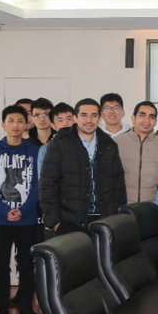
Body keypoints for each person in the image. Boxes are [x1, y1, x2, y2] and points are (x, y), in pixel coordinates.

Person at [0, 105, 42, 314]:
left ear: (26, 125)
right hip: (0, 220)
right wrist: (5, 210)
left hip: (28, 219)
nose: (16, 125)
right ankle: (2, 311)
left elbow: (38, 185)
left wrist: (23, 210)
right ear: (3, 124)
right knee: (0, 265)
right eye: (11, 121)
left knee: (26, 264)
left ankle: (27, 309)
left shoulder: (34, 151)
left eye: (20, 121)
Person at [39, 98, 127, 234]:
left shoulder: (109, 145)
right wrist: (55, 223)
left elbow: (118, 184)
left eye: (94, 115)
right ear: (75, 118)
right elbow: (47, 185)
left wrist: (118, 217)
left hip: (105, 220)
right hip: (69, 221)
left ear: (100, 118)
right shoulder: (60, 144)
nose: (89, 120)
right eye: (84, 115)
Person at [115, 101, 158, 203]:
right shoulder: (117, 143)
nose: (147, 120)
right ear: (133, 118)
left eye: (151, 117)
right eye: (142, 115)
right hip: (122, 207)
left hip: (153, 207)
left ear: (155, 121)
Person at [37, 102, 75, 175]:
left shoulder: (84, 145)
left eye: (69, 119)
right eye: (60, 120)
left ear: (76, 120)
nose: (65, 124)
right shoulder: (45, 150)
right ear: (53, 125)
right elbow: (43, 178)